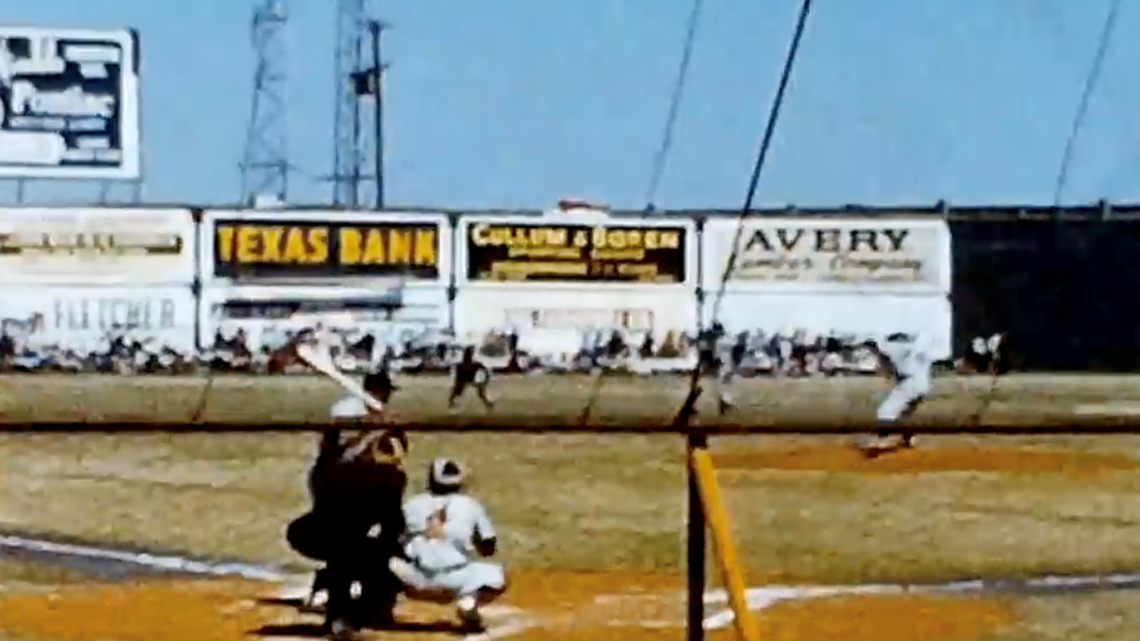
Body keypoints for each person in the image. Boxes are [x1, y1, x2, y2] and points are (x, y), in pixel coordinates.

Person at [390, 458, 506, 633]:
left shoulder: (411, 504)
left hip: (413, 581)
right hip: (455, 582)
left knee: (384, 562)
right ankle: (468, 602)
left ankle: (379, 607)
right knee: (500, 575)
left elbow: (393, 539)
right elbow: (488, 548)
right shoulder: (470, 505)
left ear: (431, 479)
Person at [857, 332, 932, 455]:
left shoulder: (895, 348)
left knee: (885, 412)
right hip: (923, 384)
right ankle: (909, 438)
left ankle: (880, 440)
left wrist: (876, 350)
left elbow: (888, 367)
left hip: (910, 383)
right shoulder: (916, 348)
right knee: (901, 416)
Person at [448, 345, 494, 410]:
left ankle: (487, 403)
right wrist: (486, 379)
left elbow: (485, 370)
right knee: (457, 390)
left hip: (468, 380)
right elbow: (485, 370)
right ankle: (487, 403)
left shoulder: (471, 364)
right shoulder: (471, 365)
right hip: (466, 380)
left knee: (480, 391)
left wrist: (486, 379)